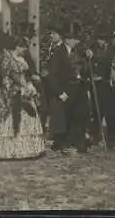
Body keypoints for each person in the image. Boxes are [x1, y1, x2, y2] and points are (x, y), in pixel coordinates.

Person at [0, 34, 45, 159]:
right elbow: (7, 78)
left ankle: (26, 150)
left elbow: (24, 76)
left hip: (24, 90)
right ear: (17, 47)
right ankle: (9, 151)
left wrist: (30, 83)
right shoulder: (8, 59)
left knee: (27, 117)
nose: (25, 50)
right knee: (11, 118)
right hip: (12, 92)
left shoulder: (21, 59)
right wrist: (22, 87)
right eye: (23, 47)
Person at [44, 23, 73, 155]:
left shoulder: (61, 49)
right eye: (50, 33)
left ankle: (61, 142)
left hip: (59, 86)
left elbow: (63, 70)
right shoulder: (52, 48)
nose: (51, 36)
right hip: (52, 86)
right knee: (55, 114)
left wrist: (61, 91)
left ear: (60, 35)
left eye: (54, 34)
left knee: (60, 114)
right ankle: (57, 141)